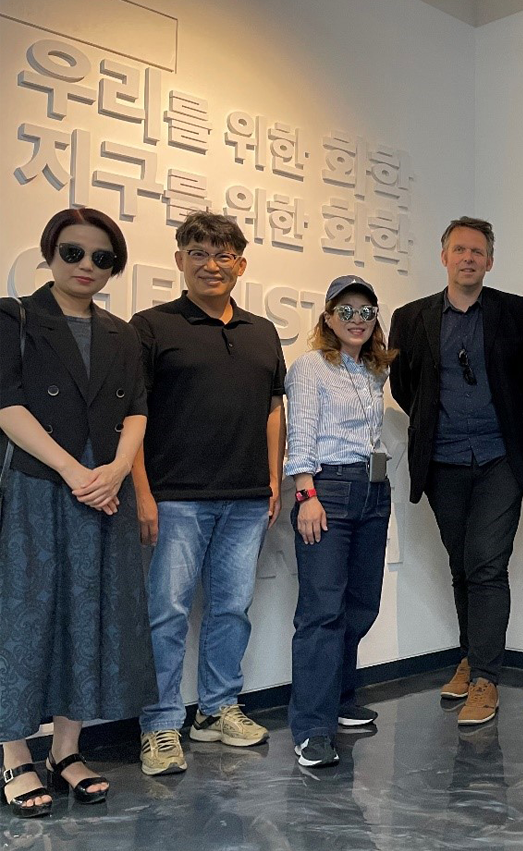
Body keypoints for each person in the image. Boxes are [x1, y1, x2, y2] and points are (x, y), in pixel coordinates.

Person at [1, 208, 154, 816]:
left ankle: (66, 749)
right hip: (40, 484)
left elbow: (137, 409)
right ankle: (13, 755)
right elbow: (6, 405)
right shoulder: (14, 318)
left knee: (92, 614)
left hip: (104, 489)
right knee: (26, 613)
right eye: (73, 253)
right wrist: (74, 471)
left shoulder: (122, 333)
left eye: (102, 258)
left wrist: (116, 471)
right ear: (49, 255)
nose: (87, 266)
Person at [131, 211, 286, 775]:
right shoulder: (149, 327)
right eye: (198, 253)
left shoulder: (262, 332)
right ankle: (161, 723)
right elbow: (133, 415)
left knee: (230, 609)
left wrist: (273, 478)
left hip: (246, 498)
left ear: (240, 265)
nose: (211, 265)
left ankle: (218, 709)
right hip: (175, 498)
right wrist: (142, 493)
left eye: (223, 255)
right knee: (166, 613)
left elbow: (274, 408)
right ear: (180, 260)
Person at [389, 217, 523, 726]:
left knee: (486, 564)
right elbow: (405, 386)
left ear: (490, 260)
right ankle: (471, 656)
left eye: (478, 251)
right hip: (444, 460)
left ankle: (486, 680)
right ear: (444, 256)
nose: (468, 258)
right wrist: (436, 421)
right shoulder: (410, 318)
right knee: (460, 564)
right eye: (460, 250)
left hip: (501, 457)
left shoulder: (515, 313)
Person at [285, 275, 396, 768]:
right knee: (321, 612)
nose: (356, 320)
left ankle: (341, 700)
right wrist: (306, 493)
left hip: (375, 489)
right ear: (328, 318)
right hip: (327, 488)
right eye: (346, 311)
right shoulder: (311, 367)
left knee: (360, 604)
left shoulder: (372, 371)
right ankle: (312, 727)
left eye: (365, 312)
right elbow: (301, 433)